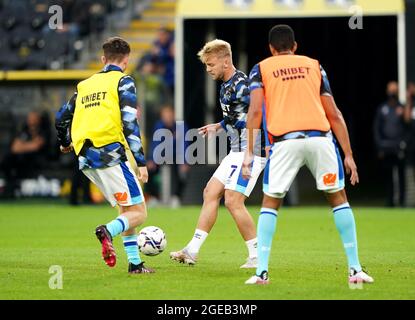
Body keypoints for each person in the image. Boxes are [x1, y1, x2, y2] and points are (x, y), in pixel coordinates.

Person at [242, 25, 374, 284]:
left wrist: (248, 151)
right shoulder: (315, 66)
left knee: (270, 202)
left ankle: (261, 273)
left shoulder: (261, 68)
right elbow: (334, 112)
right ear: (295, 46)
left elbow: (255, 112)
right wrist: (348, 154)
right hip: (320, 140)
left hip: (285, 141)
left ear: (271, 48)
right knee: (338, 198)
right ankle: (355, 269)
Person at [55, 37, 154, 274]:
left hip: (85, 158)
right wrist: (141, 162)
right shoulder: (124, 81)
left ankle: (135, 264)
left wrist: (65, 142)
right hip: (110, 154)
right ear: (126, 61)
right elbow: (130, 122)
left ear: (103, 59)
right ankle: (107, 231)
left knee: (126, 209)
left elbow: (61, 118)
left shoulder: (85, 85)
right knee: (139, 212)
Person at [170, 39, 266, 268]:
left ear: (225, 61)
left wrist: (252, 153)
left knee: (233, 201)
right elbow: (237, 115)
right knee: (210, 192)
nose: (208, 69)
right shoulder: (225, 85)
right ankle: (192, 250)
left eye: (211, 64)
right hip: (236, 150)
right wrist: (219, 125)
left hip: (251, 151)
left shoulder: (243, 84)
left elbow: (259, 113)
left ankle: (256, 256)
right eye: (206, 65)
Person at [146, 105, 190, 207]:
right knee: (149, 172)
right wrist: (151, 159)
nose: (167, 117)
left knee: (182, 174)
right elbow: (155, 143)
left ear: (173, 115)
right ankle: (154, 197)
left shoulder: (180, 126)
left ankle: (176, 197)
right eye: (164, 115)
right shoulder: (159, 125)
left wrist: (184, 161)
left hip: (177, 155)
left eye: (169, 115)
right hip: (162, 154)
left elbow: (184, 144)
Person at [0, 111, 48, 198]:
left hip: (34, 159)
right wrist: (30, 144)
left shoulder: (42, 130)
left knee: (22, 157)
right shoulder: (24, 129)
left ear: (38, 120)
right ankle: (11, 187)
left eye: (34, 119)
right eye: (30, 119)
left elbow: (36, 146)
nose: (31, 121)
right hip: (19, 157)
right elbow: (14, 147)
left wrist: (23, 146)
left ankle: (13, 187)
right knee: (8, 158)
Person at [373, 81, 407, 207]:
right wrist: (379, 146)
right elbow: (377, 128)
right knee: (388, 175)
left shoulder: (402, 108)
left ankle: (402, 201)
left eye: (395, 90)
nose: (392, 93)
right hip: (386, 147)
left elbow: (407, 126)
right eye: (390, 90)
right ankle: (390, 201)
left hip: (399, 147)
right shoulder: (382, 108)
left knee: (401, 175)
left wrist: (404, 143)